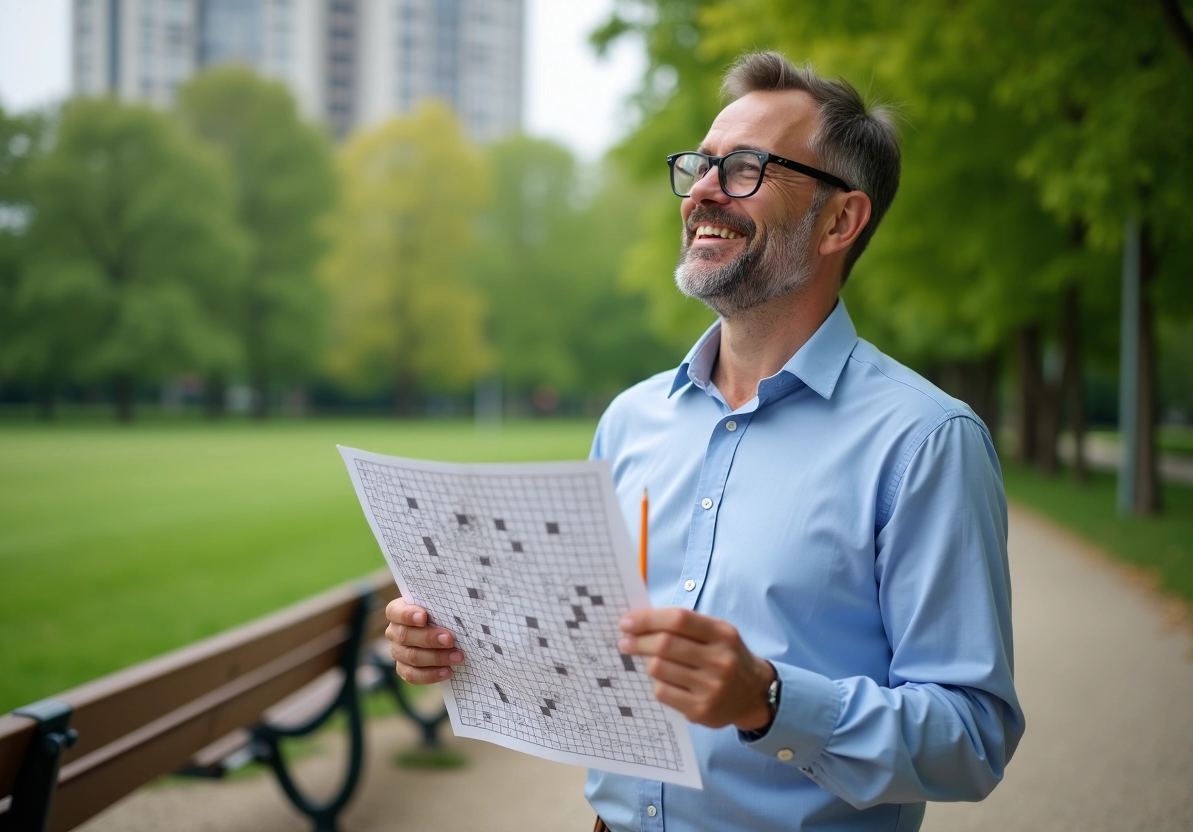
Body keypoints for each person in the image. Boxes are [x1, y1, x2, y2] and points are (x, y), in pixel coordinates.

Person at [383, 51, 1024, 831]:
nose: (704, 191)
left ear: (841, 221)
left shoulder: (925, 442)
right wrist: (461, 645)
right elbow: (592, 656)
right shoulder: (629, 420)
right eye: (701, 165)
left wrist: (770, 701)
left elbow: (972, 738)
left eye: (747, 168)